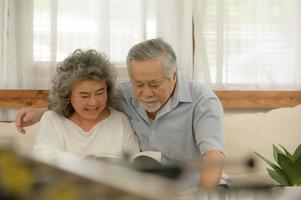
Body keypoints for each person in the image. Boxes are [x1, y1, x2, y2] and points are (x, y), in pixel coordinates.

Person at [15, 38, 225, 191]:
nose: (146, 92)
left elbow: (213, 157)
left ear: (174, 76)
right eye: (138, 84)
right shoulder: (123, 93)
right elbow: (82, 100)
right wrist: (41, 112)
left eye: (154, 84)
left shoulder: (203, 101)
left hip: (194, 187)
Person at [32, 49, 139, 161]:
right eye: (84, 96)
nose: (93, 102)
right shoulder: (52, 120)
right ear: (67, 95)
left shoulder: (120, 121)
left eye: (100, 92)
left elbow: (135, 167)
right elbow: (46, 166)